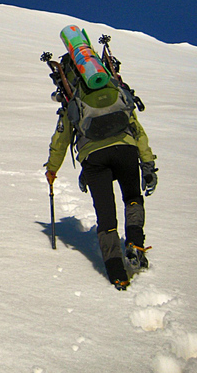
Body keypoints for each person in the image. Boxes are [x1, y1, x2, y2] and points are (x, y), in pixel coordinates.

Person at [44, 58, 158, 291]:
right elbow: (136, 127)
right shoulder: (113, 88)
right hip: (126, 149)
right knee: (132, 197)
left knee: (106, 215)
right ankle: (135, 243)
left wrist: (52, 169)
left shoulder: (72, 98)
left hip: (94, 158)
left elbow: (62, 138)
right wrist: (146, 161)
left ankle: (117, 274)